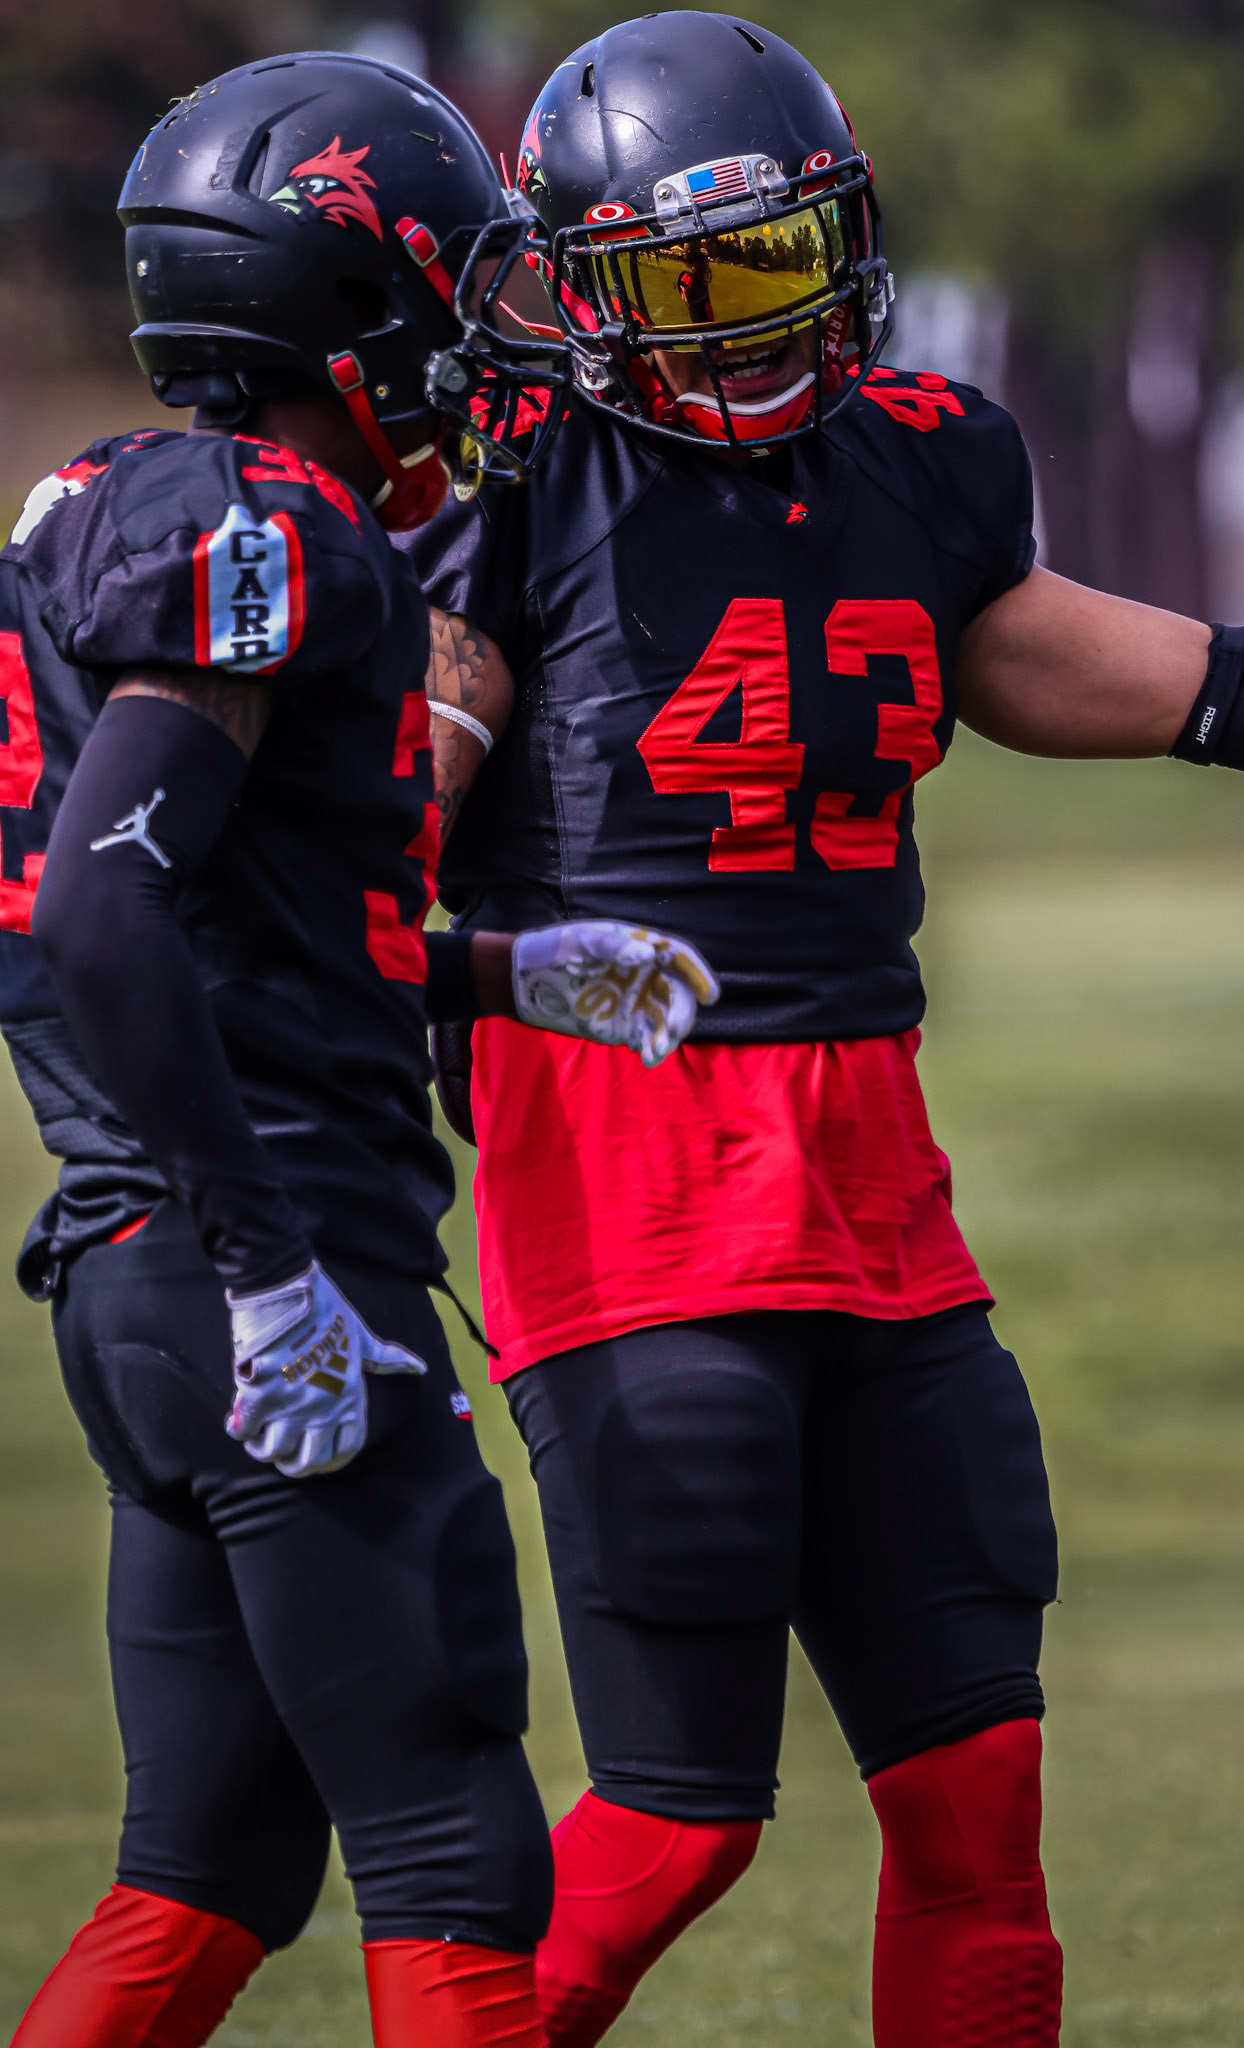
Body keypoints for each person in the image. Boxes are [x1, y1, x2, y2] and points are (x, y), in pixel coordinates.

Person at [399, 12, 1244, 2047]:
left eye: (779, 260)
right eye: (691, 283)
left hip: (877, 1197)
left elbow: (1181, 677)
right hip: (630, 1191)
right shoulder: (511, 497)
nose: (754, 325)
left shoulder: (918, 464)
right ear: (585, 294)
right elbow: (354, 873)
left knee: (976, 1807)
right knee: (675, 1823)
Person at [0, 49, 713, 2048]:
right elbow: (102, 911)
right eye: (462, 289)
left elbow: (222, 915)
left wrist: (495, 970)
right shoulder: (272, 527)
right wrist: (267, 1268)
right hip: (264, 1264)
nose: (489, 339)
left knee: (211, 1862)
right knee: (455, 1851)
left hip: (138, 1276)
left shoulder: (116, 498)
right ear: (353, 298)